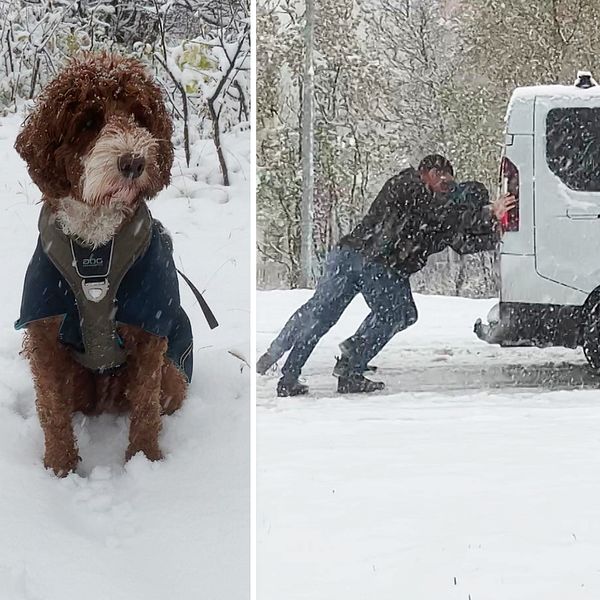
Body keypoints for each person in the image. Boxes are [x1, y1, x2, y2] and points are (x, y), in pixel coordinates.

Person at [257, 154, 516, 397]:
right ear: (430, 173)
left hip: (373, 262)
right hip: (367, 259)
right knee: (331, 314)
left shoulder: (440, 215)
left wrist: (497, 230)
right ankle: (314, 365)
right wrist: (487, 213)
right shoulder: (407, 184)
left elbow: (461, 240)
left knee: (327, 313)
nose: (446, 189)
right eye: (444, 182)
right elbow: (441, 214)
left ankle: (318, 364)